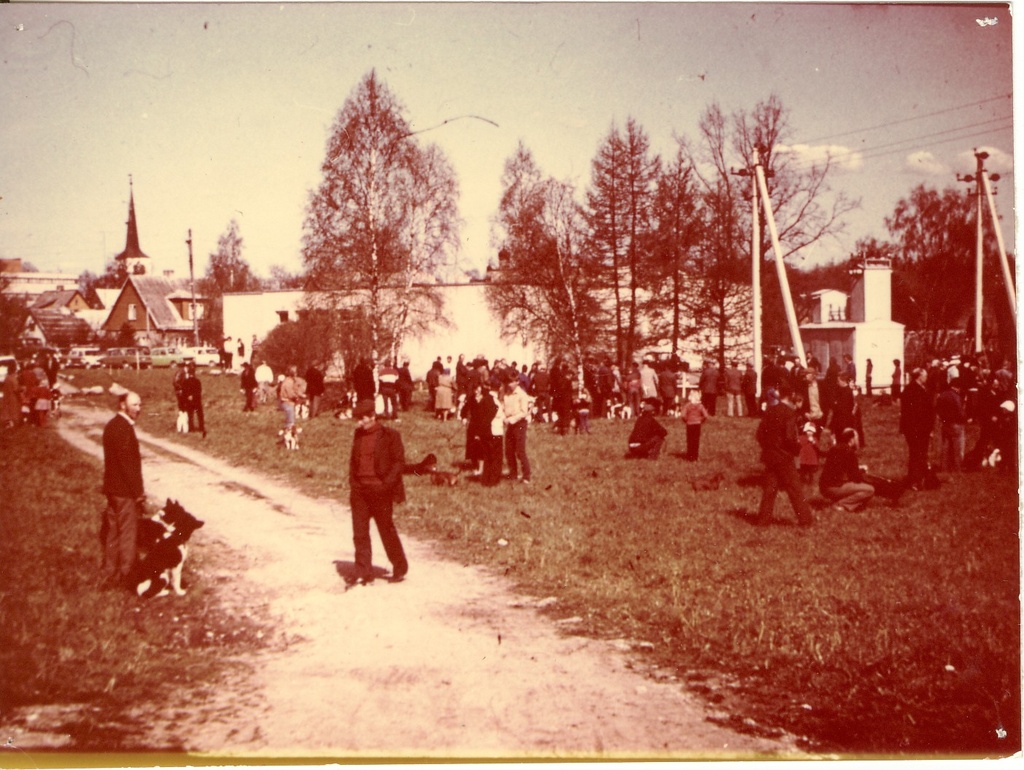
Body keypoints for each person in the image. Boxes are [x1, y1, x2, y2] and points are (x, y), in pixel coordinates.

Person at [347, 400, 408, 585]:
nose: (359, 422)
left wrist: (385, 485)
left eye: (362, 418)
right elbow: (353, 460)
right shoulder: (358, 434)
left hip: (380, 491)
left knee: (386, 530)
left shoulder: (390, 435)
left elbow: (399, 463)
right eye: (357, 418)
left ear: (372, 416)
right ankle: (363, 572)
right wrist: (354, 483)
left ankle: (399, 567)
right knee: (360, 533)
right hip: (360, 492)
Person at [101, 391, 144, 590]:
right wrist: (138, 492)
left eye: (139, 405)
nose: (138, 409)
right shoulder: (124, 428)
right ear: (122, 405)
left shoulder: (111, 425)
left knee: (113, 532)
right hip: (125, 490)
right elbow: (128, 464)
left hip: (111, 488)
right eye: (134, 405)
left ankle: (110, 571)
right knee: (127, 533)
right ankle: (127, 574)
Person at [753, 387, 813, 527]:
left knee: (770, 490)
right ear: (791, 396)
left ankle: (763, 521)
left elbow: (759, 434)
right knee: (794, 489)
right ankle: (805, 521)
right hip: (784, 457)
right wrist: (797, 449)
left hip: (770, 455)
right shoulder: (789, 413)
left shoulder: (770, 410)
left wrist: (768, 448)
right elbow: (789, 437)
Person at [818, 427, 875, 512]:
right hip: (834, 488)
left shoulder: (835, 448)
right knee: (869, 490)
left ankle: (842, 501)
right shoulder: (849, 452)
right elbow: (855, 478)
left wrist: (858, 468)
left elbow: (839, 467)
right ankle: (841, 504)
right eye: (856, 438)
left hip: (824, 487)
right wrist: (863, 472)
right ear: (851, 439)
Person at [899, 367, 934, 490]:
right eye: (925, 375)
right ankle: (915, 480)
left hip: (918, 428)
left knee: (918, 454)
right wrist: (927, 428)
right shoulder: (913, 390)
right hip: (917, 429)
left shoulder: (913, 389)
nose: (926, 377)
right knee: (917, 454)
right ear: (919, 376)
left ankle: (918, 478)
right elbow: (918, 412)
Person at [502, 371, 532, 483]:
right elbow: (503, 408)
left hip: (519, 424)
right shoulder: (506, 394)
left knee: (520, 451)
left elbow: (524, 412)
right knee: (509, 451)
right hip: (509, 424)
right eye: (508, 382)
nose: (509, 384)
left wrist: (512, 419)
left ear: (517, 382)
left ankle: (526, 475)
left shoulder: (522, 395)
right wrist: (503, 417)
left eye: (511, 382)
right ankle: (513, 473)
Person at [935, 377, 967, 472]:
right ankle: (957, 468)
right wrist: (965, 418)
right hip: (956, 424)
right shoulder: (956, 396)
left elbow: (937, 409)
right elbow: (960, 411)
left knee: (945, 447)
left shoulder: (942, 395)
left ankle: (944, 468)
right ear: (958, 387)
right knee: (957, 448)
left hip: (945, 423)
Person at [481, 385, 505, 487]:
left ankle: (486, 479)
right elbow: (496, 414)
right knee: (496, 457)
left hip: (487, 432)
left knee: (488, 457)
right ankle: (493, 480)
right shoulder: (494, 401)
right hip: (495, 431)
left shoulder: (484, 399)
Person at [680, 390, 710, 461]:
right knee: (696, 441)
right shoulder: (700, 406)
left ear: (690, 397)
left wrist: (686, 420)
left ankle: (689, 456)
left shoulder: (687, 406)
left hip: (689, 424)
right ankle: (695, 456)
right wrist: (701, 420)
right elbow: (706, 415)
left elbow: (683, 415)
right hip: (697, 424)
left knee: (690, 440)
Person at [182, 363, 206, 438]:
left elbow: (184, 391)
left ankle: (191, 428)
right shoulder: (197, 381)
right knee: (200, 415)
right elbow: (199, 391)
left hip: (189, 401)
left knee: (190, 415)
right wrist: (193, 396)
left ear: (188, 373)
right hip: (197, 400)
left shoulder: (185, 382)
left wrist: (188, 396)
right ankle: (201, 427)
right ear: (194, 373)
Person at [278, 365, 300, 431]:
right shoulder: (289, 382)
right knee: (290, 422)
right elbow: (290, 393)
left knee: (290, 421)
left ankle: (288, 433)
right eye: (296, 372)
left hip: (287, 402)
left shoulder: (288, 380)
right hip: (287, 402)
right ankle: (288, 435)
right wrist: (296, 397)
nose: (297, 374)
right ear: (293, 373)